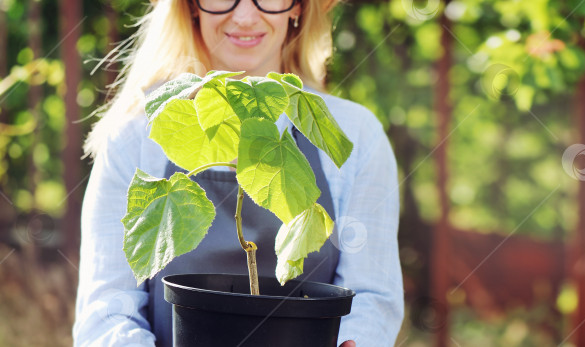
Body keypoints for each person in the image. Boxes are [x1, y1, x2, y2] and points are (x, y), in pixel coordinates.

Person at [73, 0, 404, 346]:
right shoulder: (136, 137)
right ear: (190, 7)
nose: (245, 16)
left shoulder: (352, 134)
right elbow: (107, 312)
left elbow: (372, 298)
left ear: (298, 8)